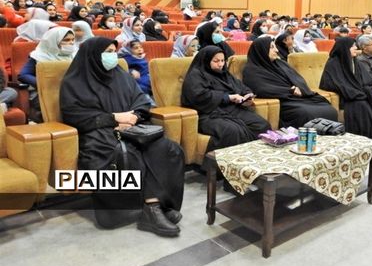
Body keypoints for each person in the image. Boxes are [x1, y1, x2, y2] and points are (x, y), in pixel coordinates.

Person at [60, 37, 184, 236]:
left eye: (114, 51)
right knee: (125, 153)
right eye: (108, 52)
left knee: (167, 148)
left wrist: (134, 117)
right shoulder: (74, 81)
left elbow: (141, 100)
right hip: (97, 132)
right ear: (93, 55)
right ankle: (146, 209)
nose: (113, 56)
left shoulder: (120, 74)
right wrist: (114, 118)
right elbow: (75, 115)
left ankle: (159, 204)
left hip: (132, 127)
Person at [181, 46, 270, 152]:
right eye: (216, 61)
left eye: (223, 61)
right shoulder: (196, 75)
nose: (220, 64)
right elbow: (199, 96)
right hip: (209, 113)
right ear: (206, 60)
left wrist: (247, 97)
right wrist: (228, 97)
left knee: (262, 125)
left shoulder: (224, 73)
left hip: (233, 110)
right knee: (233, 131)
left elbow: (241, 87)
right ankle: (226, 160)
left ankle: (255, 154)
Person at [243, 37, 338, 128]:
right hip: (283, 101)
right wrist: (289, 91)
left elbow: (298, 79)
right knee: (307, 113)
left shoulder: (280, 63)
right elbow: (261, 89)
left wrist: (301, 89)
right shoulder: (251, 70)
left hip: (298, 98)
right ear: (261, 50)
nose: (276, 50)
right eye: (272, 47)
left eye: (275, 47)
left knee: (329, 109)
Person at [319, 37, 372, 153]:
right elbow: (331, 83)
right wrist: (353, 92)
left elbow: (367, 79)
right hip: (346, 97)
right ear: (345, 49)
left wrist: (364, 90)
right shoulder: (333, 63)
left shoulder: (355, 61)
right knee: (361, 105)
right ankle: (364, 139)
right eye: (353, 46)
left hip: (359, 93)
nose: (356, 48)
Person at [18, 27, 75, 122]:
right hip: (44, 92)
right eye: (66, 40)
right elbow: (23, 75)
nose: (71, 43)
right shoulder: (39, 56)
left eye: (73, 39)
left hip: (69, 91)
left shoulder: (74, 55)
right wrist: (45, 83)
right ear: (53, 42)